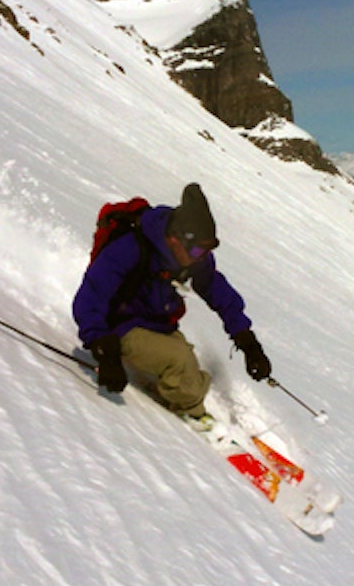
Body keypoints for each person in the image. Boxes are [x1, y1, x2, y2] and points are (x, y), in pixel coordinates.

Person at [72, 183, 272, 429]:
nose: (202, 256)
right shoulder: (131, 248)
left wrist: (247, 340)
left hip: (154, 323)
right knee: (180, 361)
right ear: (174, 238)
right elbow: (89, 299)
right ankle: (194, 415)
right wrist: (103, 347)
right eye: (199, 249)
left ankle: (177, 392)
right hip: (117, 330)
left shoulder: (192, 255)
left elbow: (219, 292)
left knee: (185, 358)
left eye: (207, 250)